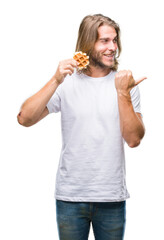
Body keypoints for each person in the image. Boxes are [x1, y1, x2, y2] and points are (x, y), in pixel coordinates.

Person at [17, 14, 146, 240]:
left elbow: (134, 140)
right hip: (70, 197)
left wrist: (122, 92)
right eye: (104, 41)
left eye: (114, 40)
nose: (112, 47)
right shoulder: (67, 83)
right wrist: (56, 79)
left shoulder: (125, 85)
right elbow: (24, 119)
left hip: (111, 198)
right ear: (87, 44)